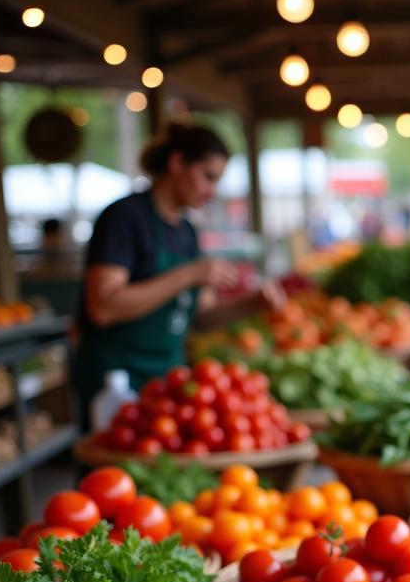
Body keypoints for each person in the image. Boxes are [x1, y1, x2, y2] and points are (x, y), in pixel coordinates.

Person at [76, 123, 282, 418]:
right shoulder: (124, 217)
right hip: (116, 379)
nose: (212, 191)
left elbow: (202, 316)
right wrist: (189, 274)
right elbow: (103, 306)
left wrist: (252, 305)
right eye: (207, 177)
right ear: (177, 163)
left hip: (167, 378)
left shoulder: (186, 232)